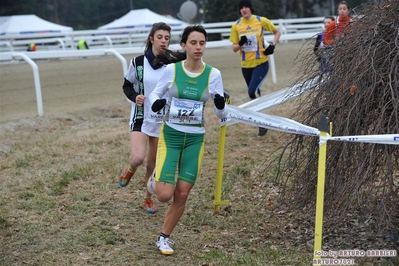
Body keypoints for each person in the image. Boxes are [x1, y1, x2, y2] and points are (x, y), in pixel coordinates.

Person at [147, 24, 228, 255]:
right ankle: (154, 181)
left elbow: (221, 114)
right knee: (163, 195)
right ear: (184, 45)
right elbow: (155, 93)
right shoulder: (172, 70)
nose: (198, 47)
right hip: (171, 136)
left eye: (202, 43)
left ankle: (164, 238)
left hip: (195, 139)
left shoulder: (213, 74)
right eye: (193, 43)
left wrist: (221, 106)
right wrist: (156, 102)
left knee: (182, 192)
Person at [118, 22, 172, 214]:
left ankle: (148, 198)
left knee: (152, 164)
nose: (163, 41)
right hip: (141, 116)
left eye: (167, 38)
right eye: (160, 37)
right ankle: (129, 171)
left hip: (161, 119)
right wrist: (135, 97)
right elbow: (126, 86)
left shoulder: (172, 64)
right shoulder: (138, 62)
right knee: (138, 158)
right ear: (151, 39)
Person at [229, 0, 281, 137]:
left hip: (261, 63)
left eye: (246, 7)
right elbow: (234, 48)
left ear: (251, 8)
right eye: (241, 8)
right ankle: (261, 124)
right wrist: (240, 44)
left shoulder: (261, 20)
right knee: (255, 95)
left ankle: (262, 121)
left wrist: (272, 45)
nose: (244, 9)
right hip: (245, 66)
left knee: (252, 92)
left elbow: (277, 32)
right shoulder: (236, 25)